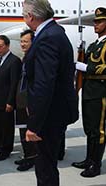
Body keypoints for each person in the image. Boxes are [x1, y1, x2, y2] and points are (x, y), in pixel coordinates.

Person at [22, 0, 79, 185]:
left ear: (31, 16)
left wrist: (34, 125)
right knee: (46, 164)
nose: (24, 18)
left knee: (45, 166)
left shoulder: (48, 37)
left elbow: (44, 84)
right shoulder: (53, 32)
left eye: (24, 15)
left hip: (50, 114)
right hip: (54, 111)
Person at [72, 7, 106, 178]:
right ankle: (89, 159)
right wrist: (81, 54)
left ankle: (96, 164)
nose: (95, 24)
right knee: (89, 128)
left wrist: (87, 67)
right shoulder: (93, 45)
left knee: (98, 130)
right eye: (95, 21)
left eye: (99, 21)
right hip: (88, 91)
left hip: (100, 91)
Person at [0, 35, 21, 161]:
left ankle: (6, 149)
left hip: (6, 100)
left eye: (0, 46)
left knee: (7, 126)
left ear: (7, 46)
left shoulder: (14, 61)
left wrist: (10, 102)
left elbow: (14, 84)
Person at [14, 29, 37, 171]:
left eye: (26, 41)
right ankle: (26, 155)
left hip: (30, 102)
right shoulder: (25, 58)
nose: (22, 44)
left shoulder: (35, 59)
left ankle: (32, 158)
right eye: (21, 41)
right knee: (22, 130)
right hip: (21, 100)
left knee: (30, 131)